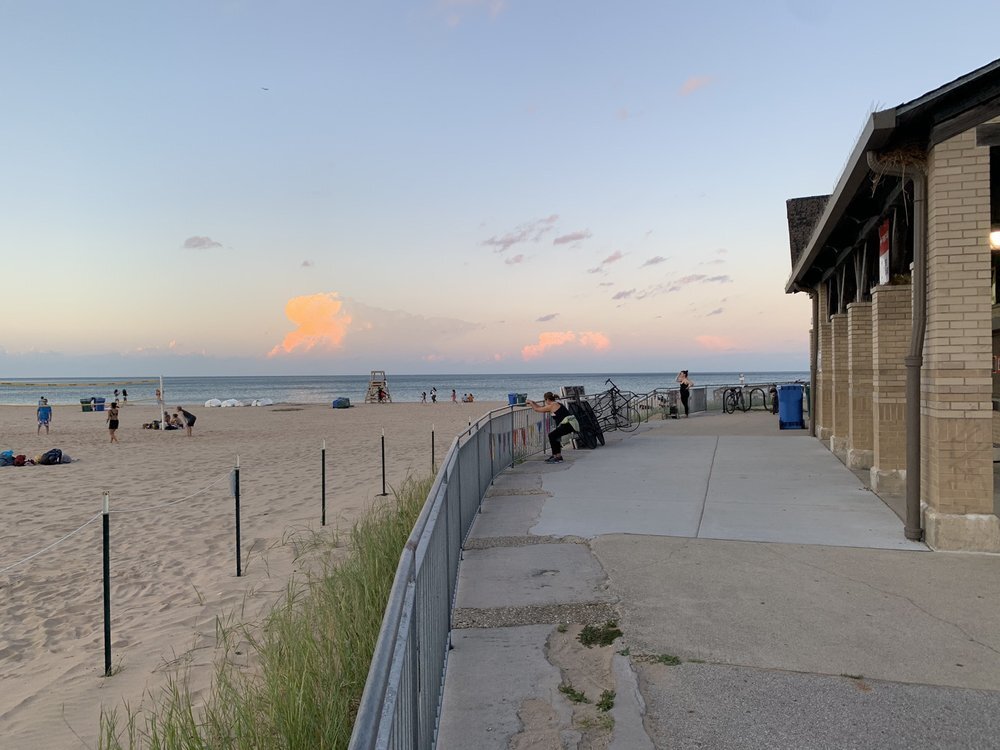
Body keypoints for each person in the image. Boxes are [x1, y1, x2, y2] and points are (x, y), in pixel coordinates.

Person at [527, 391, 574, 463]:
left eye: (545, 400)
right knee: (555, 436)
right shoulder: (555, 404)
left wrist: (531, 403)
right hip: (568, 424)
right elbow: (541, 408)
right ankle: (558, 456)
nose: (545, 402)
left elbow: (537, 409)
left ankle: (555, 456)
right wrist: (533, 403)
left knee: (552, 435)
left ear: (547, 399)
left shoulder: (553, 405)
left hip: (567, 425)